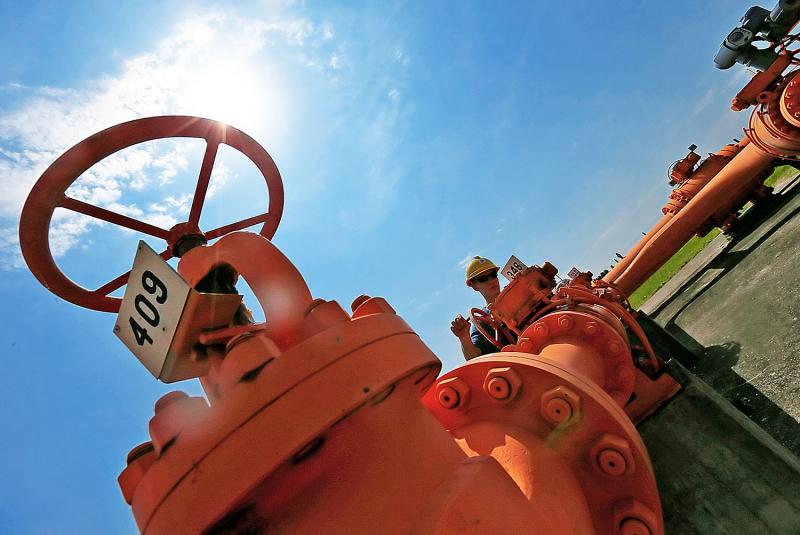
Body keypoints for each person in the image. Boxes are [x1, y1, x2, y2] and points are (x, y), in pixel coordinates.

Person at [450, 256, 504, 360]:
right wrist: (464, 337)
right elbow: (475, 358)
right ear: (474, 286)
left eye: (493, 275)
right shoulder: (482, 324)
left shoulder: (523, 293)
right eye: (483, 279)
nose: (491, 281)